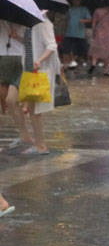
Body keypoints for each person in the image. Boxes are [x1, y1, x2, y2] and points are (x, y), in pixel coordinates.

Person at [18, 10, 61, 155]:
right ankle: (38, 144)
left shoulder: (43, 22)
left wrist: (39, 61)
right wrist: (16, 36)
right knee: (32, 110)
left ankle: (41, 146)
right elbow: (30, 44)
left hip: (40, 71)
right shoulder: (29, 23)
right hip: (30, 71)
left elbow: (51, 46)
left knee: (36, 111)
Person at [1, 20, 33, 152]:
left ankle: (27, 134)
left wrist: (17, 36)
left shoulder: (26, 21)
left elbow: (31, 45)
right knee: (8, 99)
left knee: (12, 99)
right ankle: (24, 134)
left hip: (21, 57)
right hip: (3, 55)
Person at [87, 3, 109, 76]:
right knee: (108, 51)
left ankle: (93, 64)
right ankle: (106, 70)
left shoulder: (97, 11)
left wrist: (93, 31)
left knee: (96, 49)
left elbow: (94, 22)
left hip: (99, 33)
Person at [62, 0, 90, 69]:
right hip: (69, 32)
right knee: (66, 48)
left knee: (81, 49)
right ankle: (67, 63)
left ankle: (74, 61)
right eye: (74, 0)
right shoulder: (69, 9)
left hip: (80, 33)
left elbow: (90, 19)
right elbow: (66, 19)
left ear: (80, 1)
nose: (76, 1)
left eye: (78, 0)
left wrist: (83, 21)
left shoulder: (84, 9)